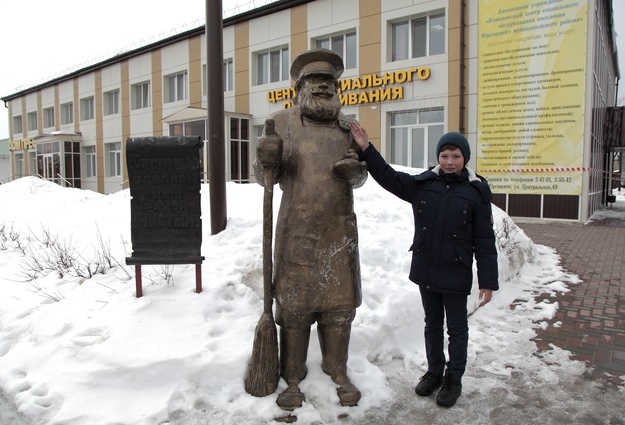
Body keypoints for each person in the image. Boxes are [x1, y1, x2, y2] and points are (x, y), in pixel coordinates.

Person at [349, 121, 499, 408]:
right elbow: (390, 178)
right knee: (432, 324)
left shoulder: (476, 192)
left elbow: (484, 240)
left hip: (456, 271)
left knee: (456, 329)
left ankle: (453, 378)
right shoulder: (424, 184)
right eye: (444, 156)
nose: (450, 162)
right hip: (427, 267)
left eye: (456, 156)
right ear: (438, 158)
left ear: (464, 158)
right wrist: (366, 148)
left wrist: (488, 281)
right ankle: (434, 371)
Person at [254, 48, 368, 411]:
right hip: (297, 228)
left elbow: (363, 171)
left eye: (328, 82)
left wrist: (357, 173)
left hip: (338, 229)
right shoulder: (282, 122)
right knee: (295, 306)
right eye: (314, 81)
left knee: (339, 306)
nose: (322, 87)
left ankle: (337, 369)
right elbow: (264, 176)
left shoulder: (347, 127)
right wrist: (267, 157)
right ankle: (292, 373)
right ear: (299, 87)